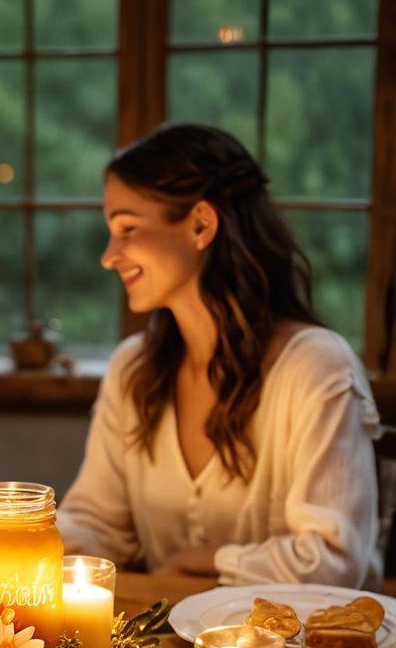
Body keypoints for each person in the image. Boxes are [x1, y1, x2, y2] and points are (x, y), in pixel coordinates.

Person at [57, 123, 381, 588]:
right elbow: (98, 526)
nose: (110, 256)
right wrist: (12, 538)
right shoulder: (133, 369)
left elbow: (333, 562)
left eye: (127, 228)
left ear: (201, 225)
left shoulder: (315, 367)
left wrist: (209, 561)